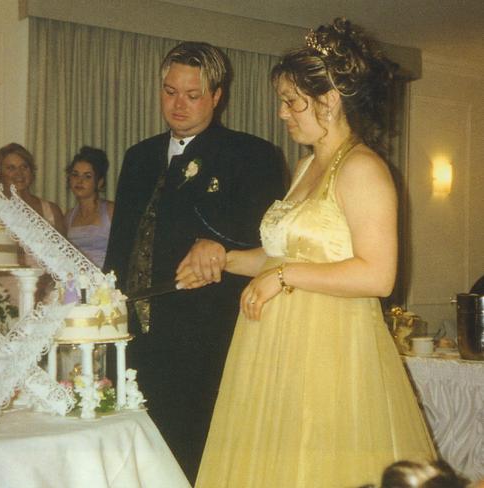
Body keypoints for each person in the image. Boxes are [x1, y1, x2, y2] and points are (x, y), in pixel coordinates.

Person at [183, 19, 436, 487]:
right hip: (273, 349)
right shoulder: (305, 166)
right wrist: (223, 257)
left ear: (330, 99)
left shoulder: (363, 169)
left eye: (291, 101)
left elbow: (378, 275)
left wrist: (283, 279)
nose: (282, 113)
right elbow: (281, 255)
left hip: (330, 351)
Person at [104, 41, 285, 482]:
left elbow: (270, 242)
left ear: (217, 95)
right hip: (134, 338)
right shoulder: (138, 156)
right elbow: (121, 245)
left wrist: (216, 245)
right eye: (169, 91)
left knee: (195, 460)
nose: (177, 104)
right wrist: (105, 308)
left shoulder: (252, 155)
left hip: (205, 339)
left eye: (192, 94)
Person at [0, 143, 66, 236]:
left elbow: (62, 249)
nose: (19, 173)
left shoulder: (52, 211)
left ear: (32, 172)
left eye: (24, 167)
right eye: (11, 168)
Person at [65, 146, 114, 268]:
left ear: (99, 182)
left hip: (105, 282)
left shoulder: (111, 211)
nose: (79, 181)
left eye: (87, 176)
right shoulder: (68, 217)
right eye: (75, 175)